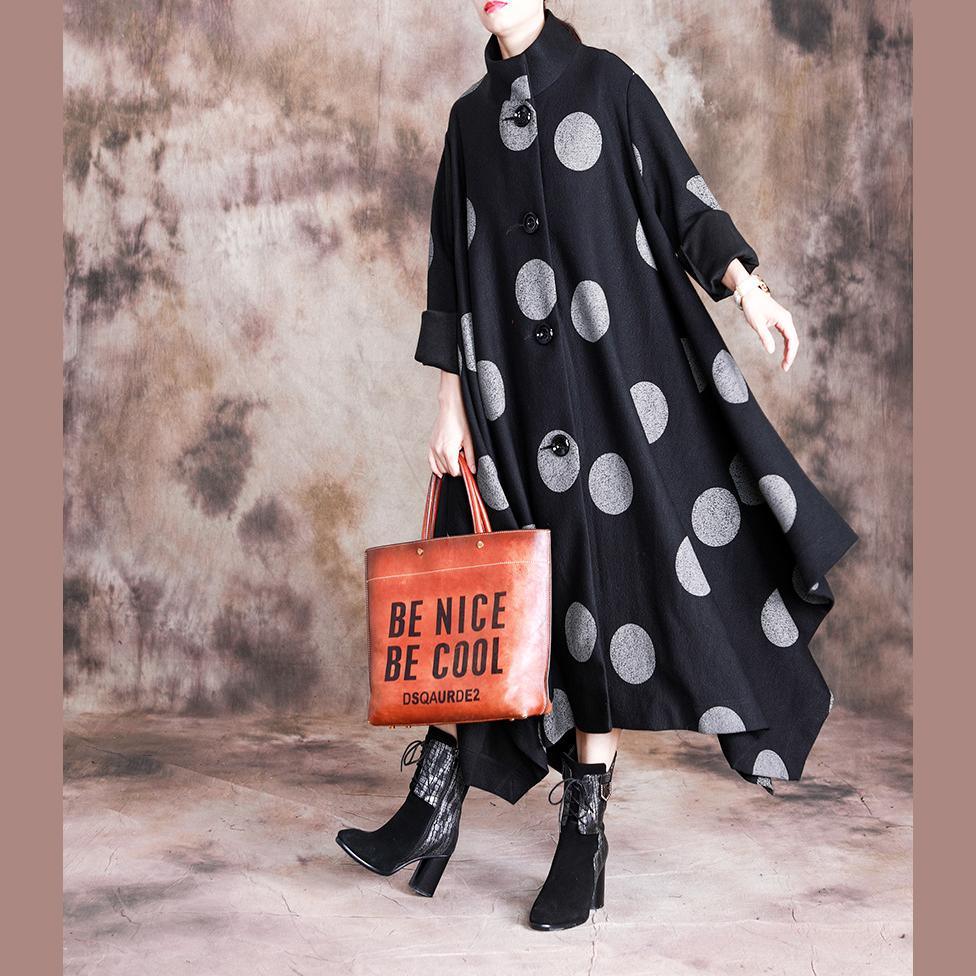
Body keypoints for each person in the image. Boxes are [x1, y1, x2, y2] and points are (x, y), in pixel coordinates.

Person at [337, 0, 859, 931]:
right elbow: (450, 276)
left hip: (618, 397)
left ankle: (583, 832)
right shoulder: (467, 124)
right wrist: (450, 407)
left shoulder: (607, 86)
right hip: (509, 401)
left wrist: (751, 292)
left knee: (598, 604)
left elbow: (683, 199)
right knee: (494, 596)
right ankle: (434, 803)